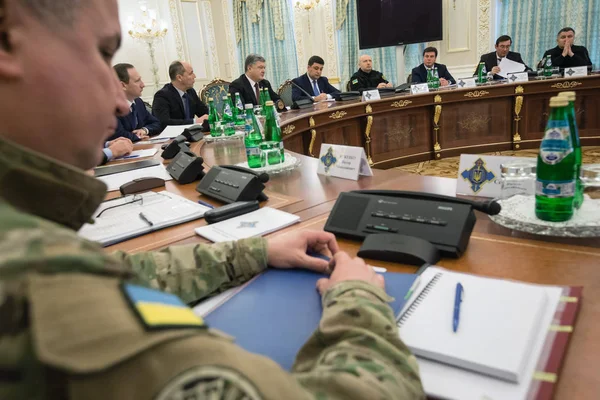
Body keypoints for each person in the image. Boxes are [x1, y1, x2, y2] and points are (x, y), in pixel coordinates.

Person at [0, 1, 425, 399]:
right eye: (101, 54)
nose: (118, 100)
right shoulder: (33, 282)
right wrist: (358, 300)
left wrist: (253, 252)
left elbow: (122, 273)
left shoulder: (28, 234)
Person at [108, 63, 161, 142]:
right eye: (137, 81)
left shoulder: (138, 102)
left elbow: (156, 123)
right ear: (122, 85)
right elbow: (119, 135)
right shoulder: (110, 107)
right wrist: (139, 136)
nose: (143, 85)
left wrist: (144, 130)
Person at [152, 61, 209, 129]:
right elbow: (164, 122)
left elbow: (204, 112)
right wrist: (194, 121)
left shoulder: (190, 92)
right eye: (191, 73)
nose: (194, 76)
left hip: (191, 135)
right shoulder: (162, 96)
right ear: (179, 77)